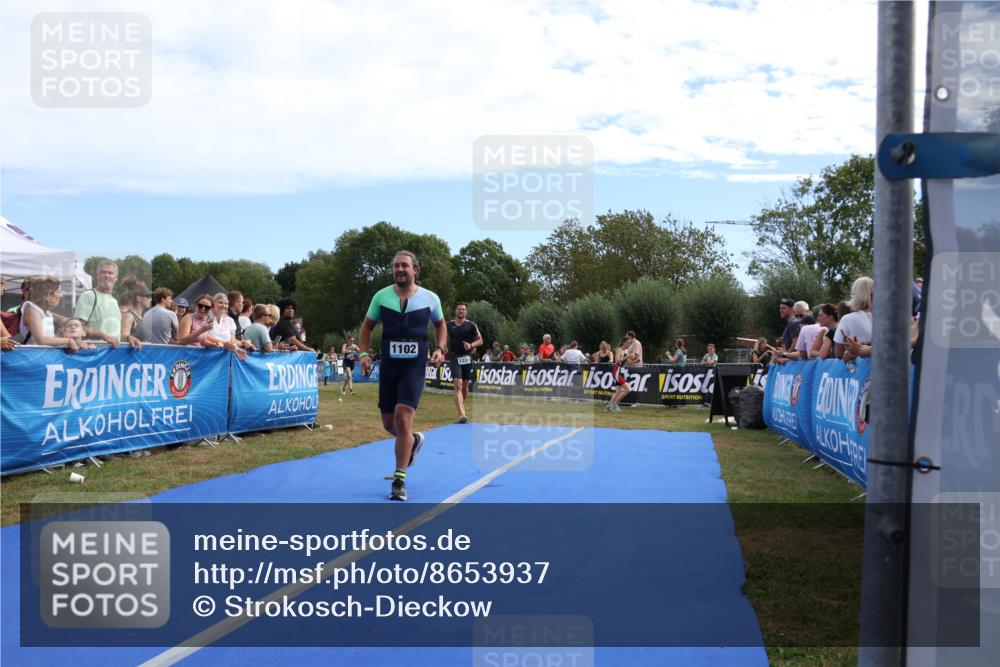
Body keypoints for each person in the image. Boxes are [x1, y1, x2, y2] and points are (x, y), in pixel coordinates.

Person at [359, 250, 446, 501]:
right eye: (396, 266)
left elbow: (440, 325)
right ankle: (413, 440)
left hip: (414, 366)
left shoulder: (430, 298)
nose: (399, 270)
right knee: (390, 424)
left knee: (403, 417)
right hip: (389, 366)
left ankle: (399, 480)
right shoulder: (381, 296)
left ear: (415, 270)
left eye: (404, 266)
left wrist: (439, 349)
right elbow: (367, 327)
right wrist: (364, 355)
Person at [75, 260, 138, 348]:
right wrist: (104, 336)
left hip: (111, 358)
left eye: (110, 273)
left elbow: (115, 336)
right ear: (97, 276)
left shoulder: (114, 301)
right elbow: (77, 328)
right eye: (103, 272)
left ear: (116, 278)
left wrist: (128, 338)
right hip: (94, 355)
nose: (106, 275)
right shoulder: (88, 296)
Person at [18, 276, 81, 353]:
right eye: (59, 292)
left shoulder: (47, 313)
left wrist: (60, 337)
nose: (61, 296)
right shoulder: (31, 309)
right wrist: (68, 341)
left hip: (43, 357)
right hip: (32, 359)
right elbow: (41, 340)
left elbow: (48, 340)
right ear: (49, 295)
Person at [446, 302, 483, 424]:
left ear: (466, 312)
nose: (461, 311)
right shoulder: (449, 325)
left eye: (463, 309)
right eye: (459, 309)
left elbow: (480, 340)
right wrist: (442, 347)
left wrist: (471, 345)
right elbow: (442, 337)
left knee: (465, 386)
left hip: (467, 357)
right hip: (454, 357)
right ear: (455, 311)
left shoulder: (471, 325)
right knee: (458, 384)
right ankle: (461, 414)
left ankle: (461, 404)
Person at [835, 277, 874, 360]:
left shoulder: (848, 319)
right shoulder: (888, 319)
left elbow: (838, 353)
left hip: (859, 369)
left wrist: (852, 351)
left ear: (855, 294)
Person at [606, 330, 643, 412]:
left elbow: (628, 363)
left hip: (622, 372)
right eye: (628, 343)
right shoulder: (619, 350)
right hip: (617, 371)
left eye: (630, 343)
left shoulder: (626, 351)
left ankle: (609, 406)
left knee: (618, 391)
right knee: (628, 389)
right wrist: (628, 356)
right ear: (623, 342)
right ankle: (614, 404)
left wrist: (635, 361)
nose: (629, 345)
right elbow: (617, 361)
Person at [119, 276, 152, 343]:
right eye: (148, 297)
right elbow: (122, 337)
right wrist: (129, 338)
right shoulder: (129, 316)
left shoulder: (140, 317)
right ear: (139, 298)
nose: (150, 299)